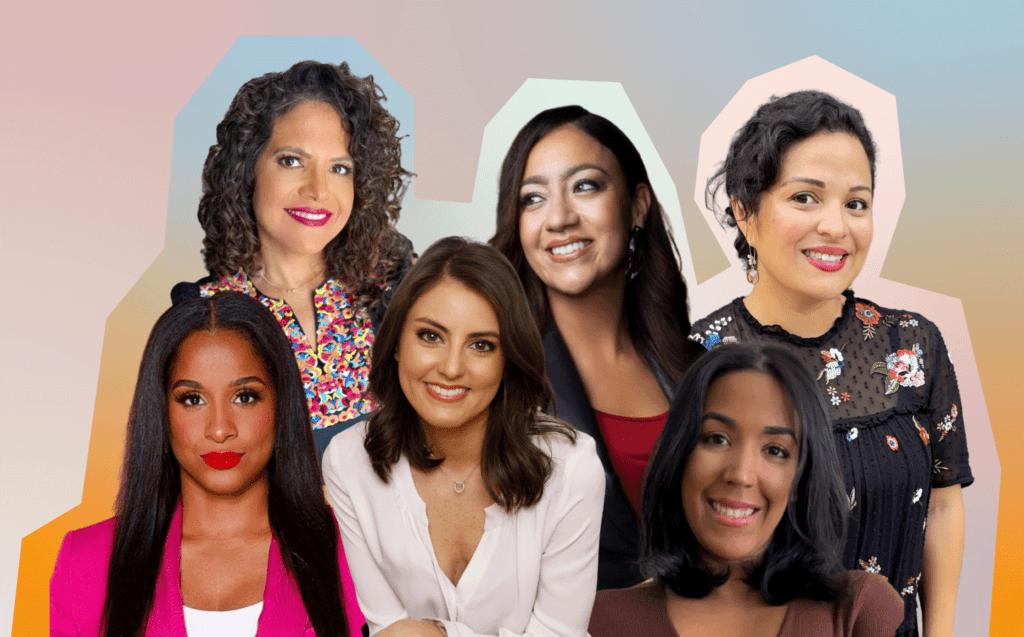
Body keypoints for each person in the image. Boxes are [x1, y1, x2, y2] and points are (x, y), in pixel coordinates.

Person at [689, 90, 972, 637]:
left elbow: (942, 504)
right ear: (746, 212)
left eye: (856, 203)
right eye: (805, 198)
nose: (836, 227)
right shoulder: (698, 360)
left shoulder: (912, 346)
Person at [323, 237, 605, 637]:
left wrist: (438, 634)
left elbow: (559, 633)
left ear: (507, 361)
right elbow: (389, 629)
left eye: (481, 345)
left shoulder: (570, 467)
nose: (452, 368)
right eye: (431, 337)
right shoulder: (349, 460)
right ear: (397, 343)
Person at [50, 292, 363, 636]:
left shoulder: (358, 551)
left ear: (280, 404)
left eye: (245, 397)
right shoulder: (84, 562)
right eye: (192, 399)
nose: (219, 429)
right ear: (161, 411)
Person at [490, 105, 703, 589]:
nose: (560, 218)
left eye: (585, 186)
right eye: (532, 198)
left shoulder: (696, 370)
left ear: (637, 205)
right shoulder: (496, 378)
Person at [172, 60, 414, 457]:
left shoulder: (395, 292)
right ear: (247, 170)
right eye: (291, 161)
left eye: (340, 168)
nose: (318, 190)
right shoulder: (203, 317)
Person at [588, 342, 904, 637]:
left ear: (799, 480)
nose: (741, 475)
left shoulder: (858, 609)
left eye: (776, 451)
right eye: (717, 439)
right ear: (680, 455)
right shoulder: (600, 621)